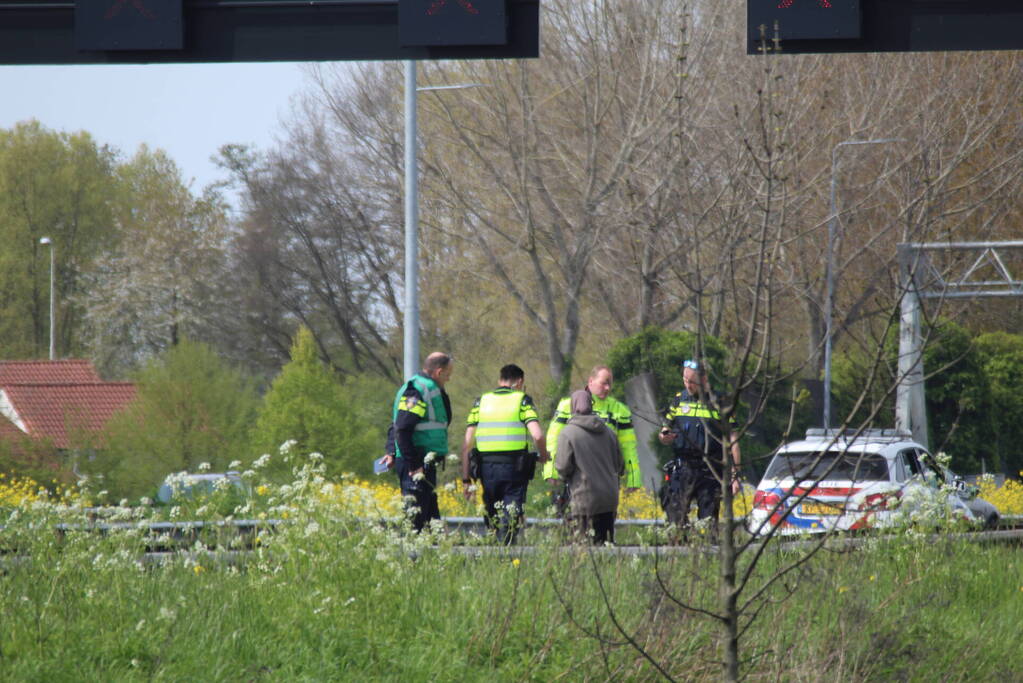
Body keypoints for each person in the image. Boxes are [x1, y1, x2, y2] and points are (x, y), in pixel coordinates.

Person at [460, 364, 549, 544]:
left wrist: (466, 478)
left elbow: (467, 444)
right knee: (511, 514)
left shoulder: (481, 401)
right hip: (514, 468)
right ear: (520, 382)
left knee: (492, 513)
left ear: (500, 380)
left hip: (486, 468)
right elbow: (538, 435)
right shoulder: (522, 400)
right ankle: (507, 551)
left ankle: (495, 549)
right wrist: (544, 455)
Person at [658, 359, 741, 542]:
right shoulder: (678, 401)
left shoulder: (720, 402)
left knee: (709, 522)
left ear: (704, 380)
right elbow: (664, 430)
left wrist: (735, 474)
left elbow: (733, 440)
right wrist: (664, 436)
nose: (687, 385)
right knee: (674, 517)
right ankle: (679, 551)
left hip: (710, 469)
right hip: (683, 467)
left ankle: (708, 559)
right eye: (685, 379)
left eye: (692, 381)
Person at [541, 366, 643, 513]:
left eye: (610, 384)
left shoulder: (620, 410)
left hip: (607, 477)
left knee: (604, 529)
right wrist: (550, 470)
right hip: (577, 478)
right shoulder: (567, 405)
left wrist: (634, 478)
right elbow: (553, 438)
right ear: (591, 381)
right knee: (573, 526)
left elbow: (628, 446)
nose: (607, 388)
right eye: (603, 383)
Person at [384, 352, 455, 533]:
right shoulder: (418, 390)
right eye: (448, 374)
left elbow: (397, 424)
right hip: (415, 465)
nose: (449, 378)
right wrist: (414, 465)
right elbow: (402, 427)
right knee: (415, 523)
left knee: (432, 525)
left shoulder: (425, 388)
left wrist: (391, 451)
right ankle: (410, 559)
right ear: (439, 372)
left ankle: (429, 558)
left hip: (423, 463)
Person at [555, 390, 624, 544]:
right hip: (609, 499)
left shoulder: (568, 433)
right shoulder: (610, 432)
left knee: (582, 550)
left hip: (583, 499)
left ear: (573, 406)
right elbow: (620, 466)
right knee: (605, 547)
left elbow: (562, 467)